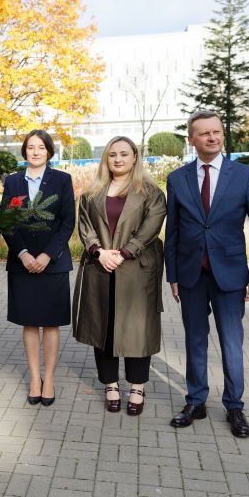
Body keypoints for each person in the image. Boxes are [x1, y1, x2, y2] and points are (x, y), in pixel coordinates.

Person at [165, 110, 249, 438]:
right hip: (191, 275)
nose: (212, 137)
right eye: (204, 133)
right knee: (194, 340)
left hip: (231, 275)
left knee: (231, 342)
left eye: (217, 132)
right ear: (192, 139)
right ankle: (196, 401)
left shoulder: (244, 175)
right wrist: (173, 276)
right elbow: (173, 232)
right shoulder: (178, 178)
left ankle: (234, 406)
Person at [72, 136, 166, 415]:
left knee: (138, 328)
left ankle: (137, 386)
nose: (118, 159)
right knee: (104, 326)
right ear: (106, 159)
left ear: (135, 157)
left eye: (124, 154)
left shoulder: (150, 192)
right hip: (100, 267)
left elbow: (151, 227)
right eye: (112, 154)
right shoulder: (93, 192)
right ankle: (110, 384)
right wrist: (98, 251)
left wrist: (124, 253)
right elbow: (85, 225)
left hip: (136, 270)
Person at [2, 130, 75, 407]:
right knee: (30, 321)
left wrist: (47, 255)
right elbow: (6, 221)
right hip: (22, 263)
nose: (35, 152)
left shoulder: (62, 180)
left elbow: (68, 221)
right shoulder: (12, 182)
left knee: (51, 322)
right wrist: (21, 253)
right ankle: (34, 378)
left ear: (48, 151)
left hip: (52, 263)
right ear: (24, 151)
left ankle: (50, 378)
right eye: (30, 147)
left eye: (40, 147)